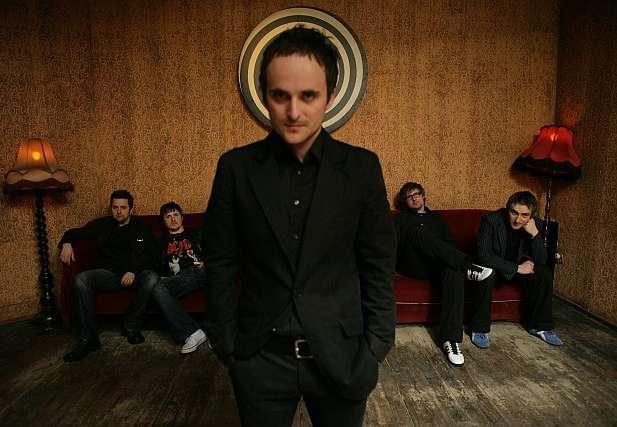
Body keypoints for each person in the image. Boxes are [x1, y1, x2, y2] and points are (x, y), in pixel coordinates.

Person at [202, 26, 396, 427]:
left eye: (308, 95)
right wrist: (228, 347)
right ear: (264, 96)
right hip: (259, 359)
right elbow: (220, 261)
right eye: (281, 96)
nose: (293, 112)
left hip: (343, 357)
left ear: (330, 96)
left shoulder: (362, 168)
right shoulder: (235, 168)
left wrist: (376, 345)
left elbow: (378, 262)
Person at [392, 182, 494, 366]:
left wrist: (443, 256)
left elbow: (450, 245)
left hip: (436, 265)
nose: (414, 198)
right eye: (409, 197)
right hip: (412, 264)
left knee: (452, 271)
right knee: (417, 232)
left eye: (416, 194)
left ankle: (451, 340)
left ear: (423, 195)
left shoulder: (438, 219)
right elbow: (393, 245)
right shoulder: (400, 219)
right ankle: (468, 267)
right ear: (405, 202)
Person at [59, 190, 158, 362]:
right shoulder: (102, 225)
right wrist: (66, 243)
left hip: (135, 274)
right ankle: (88, 338)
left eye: (123, 207)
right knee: (81, 280)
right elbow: (74, 233)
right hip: (108, 275)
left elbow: (150, 254)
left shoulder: (143, 228)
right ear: (111, 208)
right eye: (115, 207)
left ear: (131, 209)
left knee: (151, 278)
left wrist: (133, 271)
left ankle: (130, 326)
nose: (118, 211)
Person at [470, 190, 564, 348]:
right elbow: (484, 256)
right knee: (486, 273)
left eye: (524, 215)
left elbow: (542, 261)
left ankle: (539, 327)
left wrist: (535, 235)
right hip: (491, 265)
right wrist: (518, 268)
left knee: (543, 273)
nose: (518, 219)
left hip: (514, 267)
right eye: (514, 213)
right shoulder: (491, 220)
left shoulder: (535, 225)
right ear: (508, 209)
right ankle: (479, 329)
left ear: (531, 216)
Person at [152, 202, 207, 354]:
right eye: (168, 216)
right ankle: (193, 332)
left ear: (182, 218)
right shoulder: (160, 243)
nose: (173, 219)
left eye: (176, 215)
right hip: (180, 278)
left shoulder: (196, 233)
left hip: (199, 271)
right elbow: (154, 264)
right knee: (159, 289)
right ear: (163, 222)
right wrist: (161, 275)